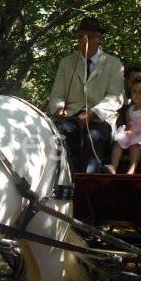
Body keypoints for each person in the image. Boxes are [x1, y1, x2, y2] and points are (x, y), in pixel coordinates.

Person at [48, 16, 125, 173]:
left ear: (100, 38)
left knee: (93, 136)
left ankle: (89, 183)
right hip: (71, 118)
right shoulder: (67, 62)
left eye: (90, 37)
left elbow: (115, 97)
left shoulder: (113, 63)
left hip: (99, 119)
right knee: (55, 135)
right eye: (81, 37)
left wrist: (92, 113)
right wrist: (59, 108)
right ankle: (54, 181)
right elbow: (57, 94)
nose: (85, 41)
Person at [106, 78, 141, 174]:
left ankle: (132, 169)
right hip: (133, 132)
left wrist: (135, 135)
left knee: (135, 144)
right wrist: (128, 133)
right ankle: (113, 166)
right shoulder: (129, 110)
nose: (137, 94)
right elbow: (129, 126)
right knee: (118, 142)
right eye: (134, 92)